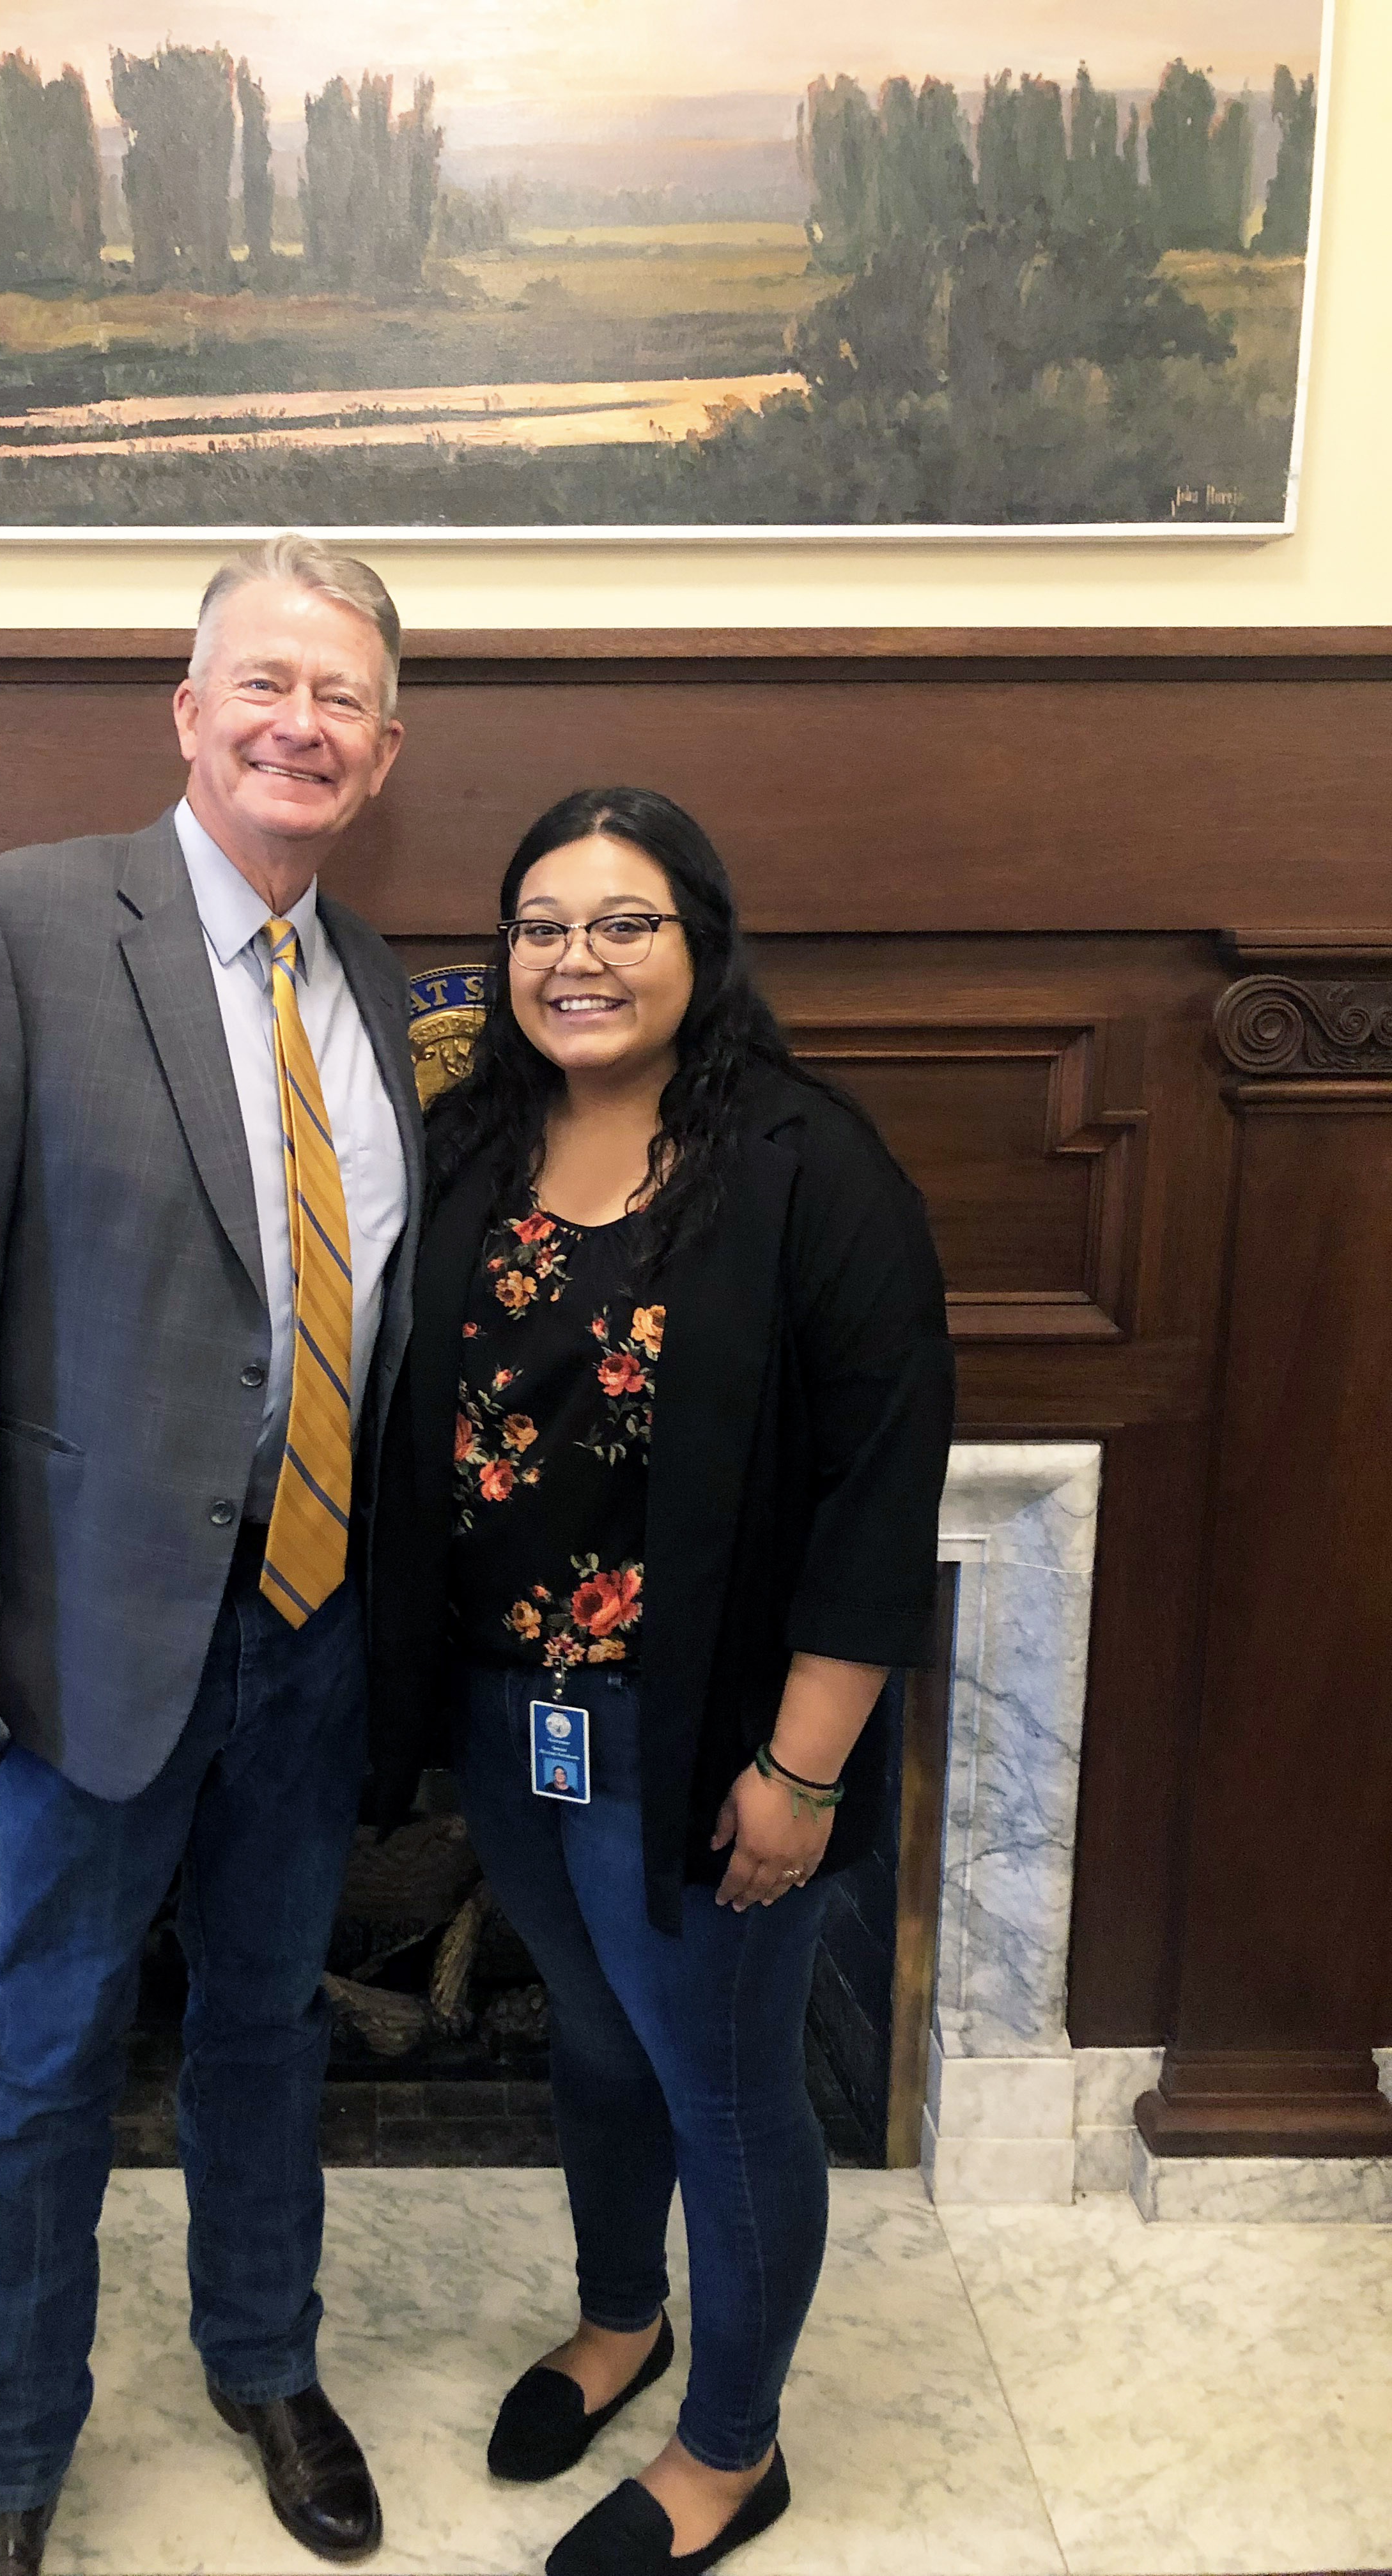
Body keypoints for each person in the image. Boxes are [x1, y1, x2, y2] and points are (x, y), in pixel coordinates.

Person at [0, 537, 424, 2576]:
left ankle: (267, 2358)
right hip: (92, 1623)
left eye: (339, 696)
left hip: (314, 1618)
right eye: (262, 682)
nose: (299, 721)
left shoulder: (379, 982)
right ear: (188, 715)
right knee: (55, 2048)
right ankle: (4, 2461)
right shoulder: (15, 924)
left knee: (270, 2021)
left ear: (382, 746)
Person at [369, 787, 954, 2576]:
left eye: (625, 922)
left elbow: (880, 1484)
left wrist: (802, 1767)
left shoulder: (808, 1165)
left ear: (702, 943)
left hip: (709, 1729)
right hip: (512, 1711)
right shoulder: (470, 1146)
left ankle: (731, 2454)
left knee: (723, 2085)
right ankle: (625, 2322)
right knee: (602, 2046)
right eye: (544, 923)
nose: (579, 957)